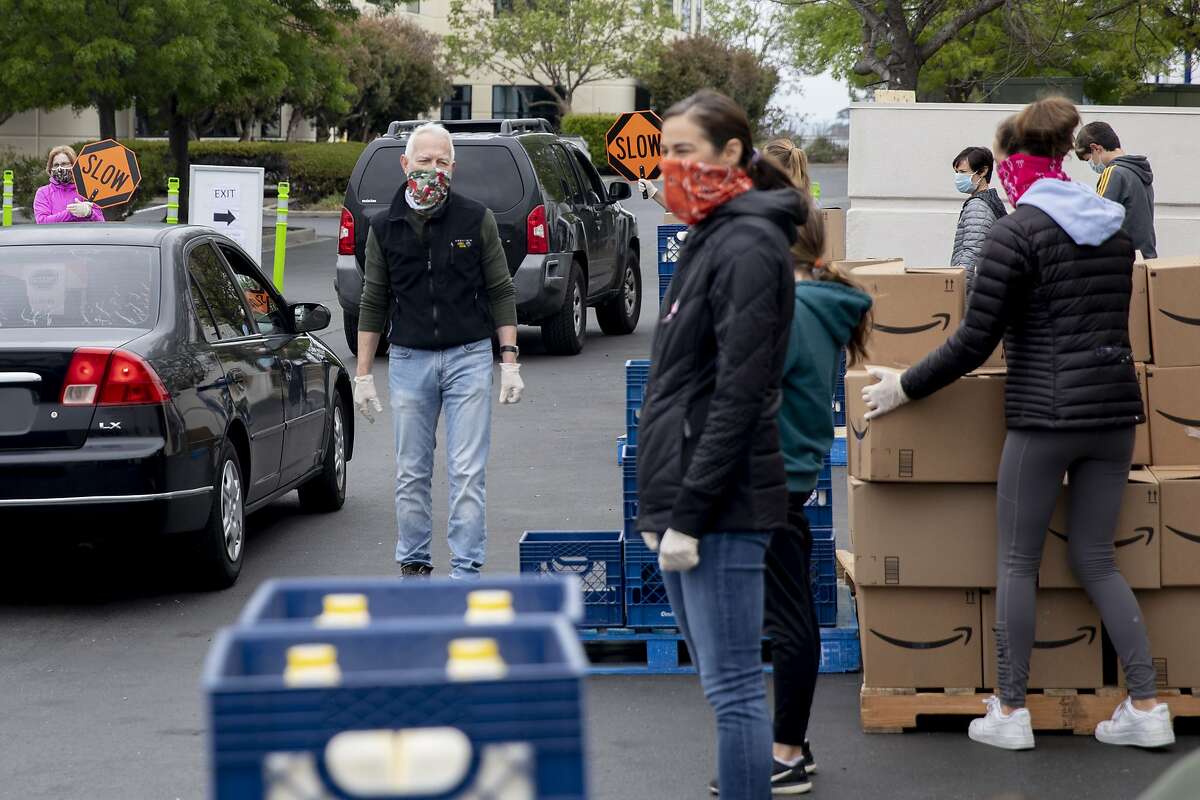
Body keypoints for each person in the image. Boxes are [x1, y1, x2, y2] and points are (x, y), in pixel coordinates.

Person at [862, 97, 1174, 751]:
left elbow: (976, 340)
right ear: (1063, 155)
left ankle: (1009, 711)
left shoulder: (1017, 231)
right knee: (1096, 559)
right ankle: (1147, 705)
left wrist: (904, 386)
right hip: (1115, 412)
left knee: (1016, 561)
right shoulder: (1112, 226)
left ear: (1012, 162)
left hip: (1046, 414)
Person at [634, 89, 804, 800]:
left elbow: (740, 394)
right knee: (718, 686)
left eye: (684, 150)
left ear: (731, 155)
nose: (669, 164)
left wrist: (690, 513)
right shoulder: (712, 232)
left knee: (734, 692)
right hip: (688, 502)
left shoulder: (747, 244)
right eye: (663, 150)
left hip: (721, 509)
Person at [352, 122, 524, 580]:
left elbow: (500, 289)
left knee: (467, 474)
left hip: (468, 357)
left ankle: (466, 574)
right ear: (405, 165)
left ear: (453, 167)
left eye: (442, 162)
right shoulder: (382, 226)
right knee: (411, 473)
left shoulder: (475, 219)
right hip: (409, 361)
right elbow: (373, 299)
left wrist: (508, 360)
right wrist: (363, 374)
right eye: (424, 161)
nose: (433, 170)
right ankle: (415, 564)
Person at [747, 202, 871, 795]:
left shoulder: (790, 314)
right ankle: (792, 739)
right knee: (791, 613)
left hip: (765, 477)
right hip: (788, 476)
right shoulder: (814, 306)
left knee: (790, 620)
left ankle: (786, 751)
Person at [1074, 121, 1156, 259]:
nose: (1091, 164)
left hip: (1123, 261)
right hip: (1146, 257)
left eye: (1088, 159)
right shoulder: (1139, 171)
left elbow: (1098, 222)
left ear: (1095, 148)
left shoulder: (1113, 172)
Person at [950, 146, 1007, 291]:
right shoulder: (990, 202)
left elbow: (972, 252)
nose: (958, 177)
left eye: (963, 172)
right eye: (956, 172)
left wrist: (955, 290)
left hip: (972, 292)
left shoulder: (978, 207)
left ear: (982, 171)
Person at [33, 146, 105, 224]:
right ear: (50, 168)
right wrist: (71, 213)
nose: (60, 168)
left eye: (64, 164)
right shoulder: (43, 192)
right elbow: (42, 222)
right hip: (55, 236)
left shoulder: (87, 191)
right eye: (56, 165)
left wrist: (89, 213)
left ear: (74, 165)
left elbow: (101, 223)